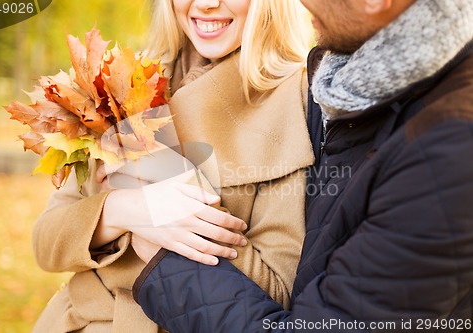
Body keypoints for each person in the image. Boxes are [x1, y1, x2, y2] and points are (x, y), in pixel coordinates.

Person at [132, 0, 473, 331]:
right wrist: (122, 210)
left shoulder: (446, 156)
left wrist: (163, 253)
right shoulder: (354, 97)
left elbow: (292, 297)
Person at [32, 0, 314, 331]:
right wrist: (124, 209)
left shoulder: (295, 100)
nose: (207, 4)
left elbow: (277, 295)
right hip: (75, 321)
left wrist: (170, 183)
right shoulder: (126, 82)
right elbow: (45, 243)